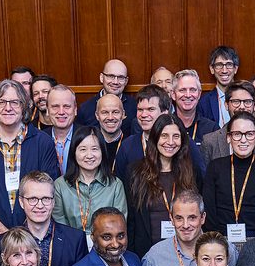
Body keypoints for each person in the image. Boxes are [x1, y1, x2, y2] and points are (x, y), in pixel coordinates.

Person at [0, 79, 62, 236]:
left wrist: (25, 234)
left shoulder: (42, 142)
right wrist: (2, 231)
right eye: (2, 102)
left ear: (24, 106)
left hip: (35, 236)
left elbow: (49, 189)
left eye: (14, 102)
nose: (8, 108)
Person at [127, 116, 201, 255]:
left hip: (186, 251)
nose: (170, 142)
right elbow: (131, 220)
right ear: (155, 138)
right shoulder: (135, 172)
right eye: (164, 136)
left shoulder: (192, 171)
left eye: (176, 136)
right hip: (147, 252)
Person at [204, 112, 255, 243]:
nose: (243, 140)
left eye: (249, 134)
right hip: (221, 239)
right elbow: (209, 208)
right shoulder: (215, 167)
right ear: (228, 137)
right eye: (237, 134)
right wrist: (217, 239)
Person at [57, 127, 128, 234]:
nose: (89, 155)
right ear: (74, 153)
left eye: (95, 149)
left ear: (102, 152)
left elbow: (119, 224)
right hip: (70, 246)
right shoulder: (60, 185)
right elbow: (59, 225)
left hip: (107, 246)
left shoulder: (115, 185)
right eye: (83, 149)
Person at [199, 82, 255, 162]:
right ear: (226, 105)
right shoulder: (210, 142)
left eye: (247, 102)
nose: (242, 107)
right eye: (236, 101)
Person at [112, 85, 174, 180]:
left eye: (150, 109)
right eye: (140, 110)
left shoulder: (178, 143)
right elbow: (119, 183)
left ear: (165, 113)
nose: (144, 115)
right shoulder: (127, 146)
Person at [77, 58, 135, 129]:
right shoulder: (85, 109)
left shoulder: (134, 106)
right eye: (111, 76)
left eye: (121, 77)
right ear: (101, 77)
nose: (115, 82)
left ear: (126, 81)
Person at [169, 69, 221, 148]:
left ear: (199, 94)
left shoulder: (212, 129)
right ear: (173, 94)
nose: (188, 95)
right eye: (182, 90)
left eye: (192, 90)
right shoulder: (164, 126)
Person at [41, 85, 84, 172]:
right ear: (48, 110)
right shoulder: (39, 139)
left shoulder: (88, 137)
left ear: (75, 109)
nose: (61, 112)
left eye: (66, 106)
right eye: (55, 106)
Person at [198, 46, 240, 123]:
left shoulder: (246, 99)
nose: (224, 70)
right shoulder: (204, 102)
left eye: (229, 64)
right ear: (212, 69)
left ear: (235, 69)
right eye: (219, 65)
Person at [91, 93, 130, 168]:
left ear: (123, 114)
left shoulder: (131, 144)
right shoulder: (89, 143)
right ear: (97, 115)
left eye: (115, 112)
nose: (110, 117)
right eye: (105, 112)